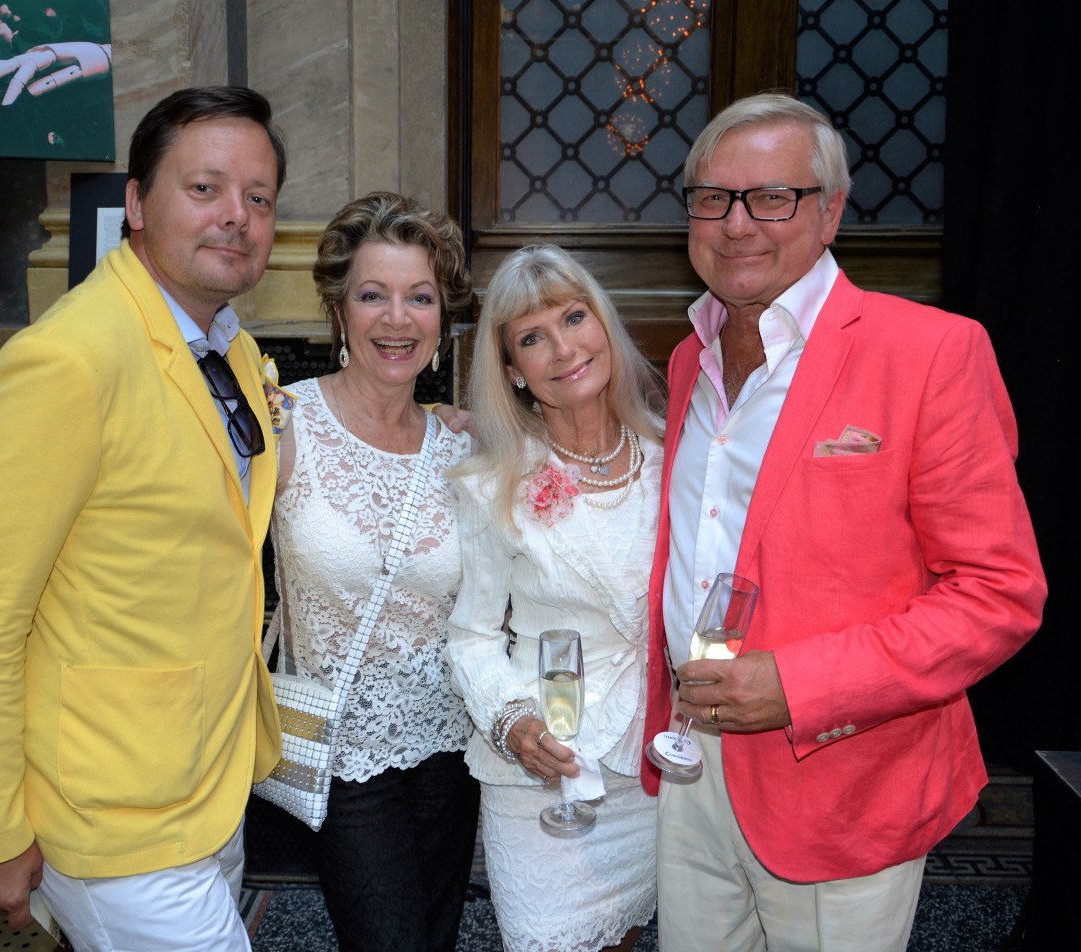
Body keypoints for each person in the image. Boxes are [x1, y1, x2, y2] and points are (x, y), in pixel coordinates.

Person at [644, 91, 1047, 951]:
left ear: (830, 212)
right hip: (690, 765)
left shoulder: (931, 353)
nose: (738, 224)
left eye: (772, 197)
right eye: (714, 197)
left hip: (840, 782)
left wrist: (800, 687)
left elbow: (999, 594)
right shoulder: (687, 361)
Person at [0, 85, 287, 950]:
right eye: (205, 188)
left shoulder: (228, 346)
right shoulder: (66, 361)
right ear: (136, 204)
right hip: (111, 810)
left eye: (259, 197)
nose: (236, 216)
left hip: (207, 780)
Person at [266, 191, 479, 951]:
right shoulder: (283, 424)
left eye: (419, 297)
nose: (397, 319)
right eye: (372, 295)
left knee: (436, 936)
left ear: (442, 319)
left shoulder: (463, 449)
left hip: (453, 747)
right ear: (338, 309)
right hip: (339, 752)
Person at [447, 244, 666, 952]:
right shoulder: (492, 482)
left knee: (628, 937)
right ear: (512, 370)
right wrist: (511, 720)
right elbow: (472, 634)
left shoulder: (673, 457)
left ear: (604, 324)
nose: (564, 348)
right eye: (533, 337)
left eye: (574, 318)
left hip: (654, 764)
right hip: (543, 771)